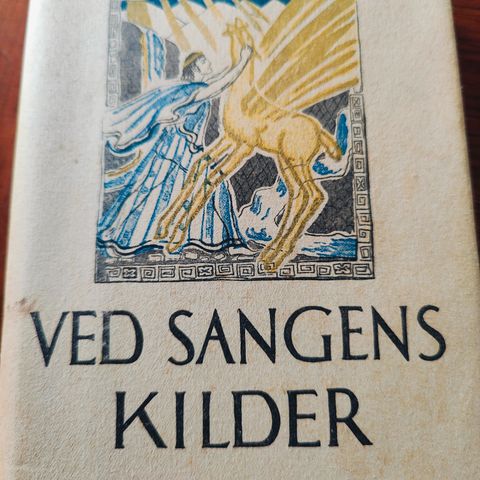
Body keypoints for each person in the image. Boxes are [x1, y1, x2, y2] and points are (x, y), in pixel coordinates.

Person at [97, 46, 252, 257]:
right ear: (195, 66)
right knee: (171, 191)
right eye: (204, 62)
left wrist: (235, 65)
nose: (209, 65)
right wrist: (243, 62)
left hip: (184, 148)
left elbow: (217, 79)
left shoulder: (189, 87)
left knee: (200, 190)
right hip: (180, 151)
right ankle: (165, 241)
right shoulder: (191, 90)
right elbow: (219, 85)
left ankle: (212, 242)